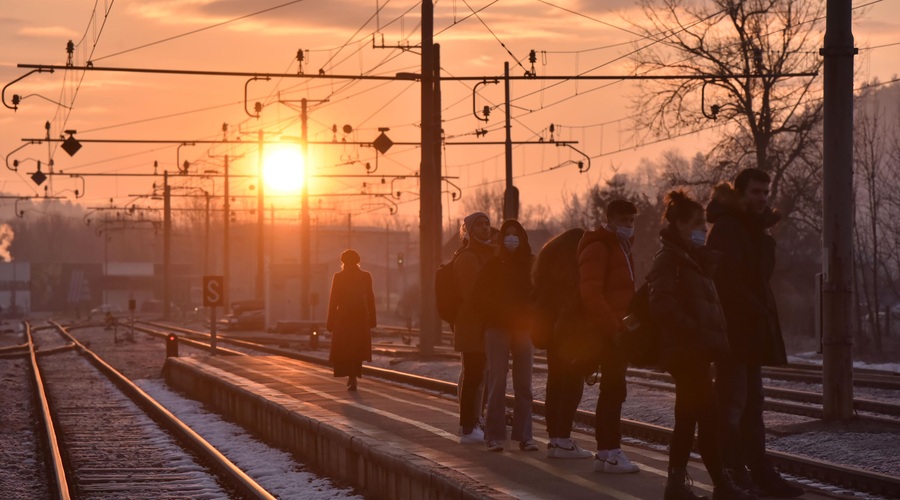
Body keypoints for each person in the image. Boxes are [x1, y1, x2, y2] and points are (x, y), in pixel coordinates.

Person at [648, 191, 755, 500]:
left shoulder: (692, 258)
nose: (702, 229)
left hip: (696, 351)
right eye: (695, 223)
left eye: (702, 224)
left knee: (690, 417)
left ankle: (679, 485)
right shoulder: (670, 259)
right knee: (707, 417)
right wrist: (694, 330)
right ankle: (720, 485)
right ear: (679, 225)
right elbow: (661, 304)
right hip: (686, 352)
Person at [706, 169, 803, 498]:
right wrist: (755, 310)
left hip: (749, 332)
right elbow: (726, 282)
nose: (762, 198)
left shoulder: (753, 232)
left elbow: (761, 276)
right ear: (740, 193)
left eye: (766, 192)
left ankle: (757, 472)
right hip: (733, 332)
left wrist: (763, 236)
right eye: (755, 192)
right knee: (733, 406)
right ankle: (732, 474)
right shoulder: (726, 229)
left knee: (752, 406)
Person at [577, 199, 640, 474]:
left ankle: (605, 453)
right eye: (624, 220)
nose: (628, 225)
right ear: (610, 219)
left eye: (631, 220)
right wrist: (614, 329)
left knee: (614, 391)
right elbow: (591, 293)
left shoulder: (620, 248)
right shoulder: (600, 248)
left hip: (616, 331)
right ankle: (611, 452)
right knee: (613, 391)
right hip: (608, 333)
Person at [472, 219, 538, 452]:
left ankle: (525, 436)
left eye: (515, 234)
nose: (511, 238)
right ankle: (494, 435)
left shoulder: (530, 263)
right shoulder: (492, 265)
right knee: (497, 382)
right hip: (497, 328)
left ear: (522, 238)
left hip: (522, 328)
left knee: (524, 384)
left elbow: (538, 293)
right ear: (501, 240)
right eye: (507, 234)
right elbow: (478, 296)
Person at [532, 228, 595, 459]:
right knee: (572, 384)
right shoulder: (573, 275)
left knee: (555, 382)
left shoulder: (546, 268)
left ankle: (556, 439)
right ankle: (563, 439)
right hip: (570, 333)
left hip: (550, 334)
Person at [453, 211, 496, 443]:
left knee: (480, 376)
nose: (485, 228)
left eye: (487, 223)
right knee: (473, 375)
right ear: (469, 231)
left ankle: (474, 421)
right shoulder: (469, 257)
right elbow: (472, 293)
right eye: (479, 224)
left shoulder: (484, 254)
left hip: (482, 325)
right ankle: (467, 427)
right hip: (472, 325)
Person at [326, 249, 376, 391]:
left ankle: (350, 377)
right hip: (360, 318)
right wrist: (372, 319)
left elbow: (333, 300)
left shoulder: (338, 277)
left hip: (343, 318)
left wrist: (330, 322)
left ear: (343, 262)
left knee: (345, 349)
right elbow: (370, 299)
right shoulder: (366, 276)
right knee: (357, 349)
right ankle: (354, 376)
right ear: (357, 262)